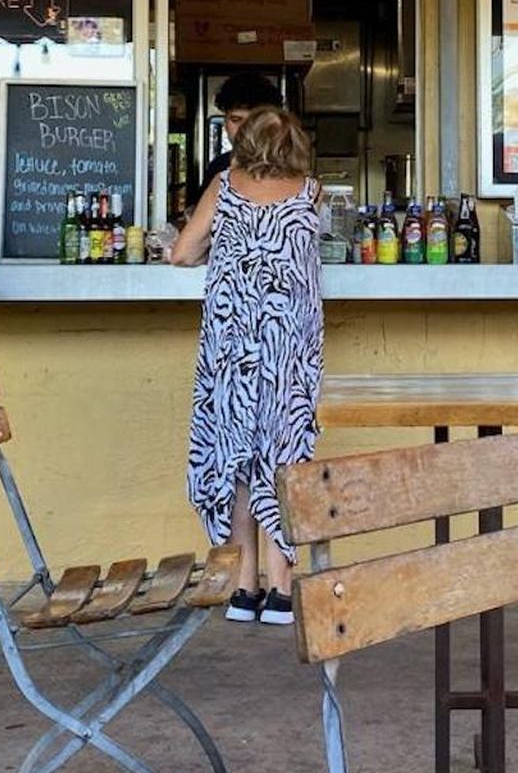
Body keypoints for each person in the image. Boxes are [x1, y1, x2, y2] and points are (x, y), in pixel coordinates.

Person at [172, 107, 322, 626]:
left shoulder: (224, 187)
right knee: (283, 459)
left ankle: (243, 588)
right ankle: (283, 591)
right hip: (288, 355)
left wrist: (224, 246)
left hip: (231, 350)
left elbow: (182, 254)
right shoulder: (310, 191)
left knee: (235, 461)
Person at [196, 72, 285, 202]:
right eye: (236, 119)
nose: (245, 129)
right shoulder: (218, 167)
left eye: (254, 121)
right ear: (225, 122)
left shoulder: (287, 166)